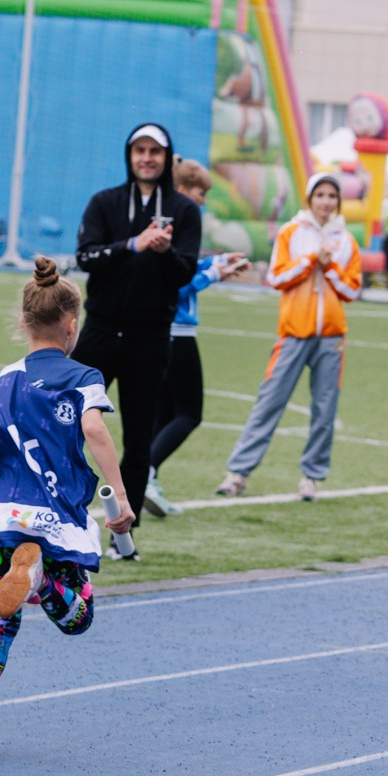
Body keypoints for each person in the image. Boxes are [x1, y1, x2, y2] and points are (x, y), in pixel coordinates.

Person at [0, 256, 134, 758]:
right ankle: (41, 580)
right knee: (77, 618)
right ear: (72, 325)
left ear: (25, 322)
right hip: (56, 518)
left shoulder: (0, 380)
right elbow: (94, 428)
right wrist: (119, 497)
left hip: (3, 516)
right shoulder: (83, 375)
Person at [70, 123, 200, 557]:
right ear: (129, 155)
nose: (147, 158)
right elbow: (87, 256)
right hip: (101, 333)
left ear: (167, 158)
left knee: (139, 438)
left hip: (149, 338)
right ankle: (59, 516)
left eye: (155, 151)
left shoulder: (183, 210)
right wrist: (132, 244)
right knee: (68, 423)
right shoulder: (105, 202)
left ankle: (124, 533)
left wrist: (164, 253)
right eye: (139, 150)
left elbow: (185, 271)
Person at [218, 171, 361, 502]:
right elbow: (277, 277)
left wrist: (328, 267)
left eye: (332, 196)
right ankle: (237, 473)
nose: (326, 202)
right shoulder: (291, 232)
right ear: (310, 199)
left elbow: (350, 289)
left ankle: (311, 477)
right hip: (294, 333)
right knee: (270, 402)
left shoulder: (346, 240)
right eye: (321, 195)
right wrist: (312, 260)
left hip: (332, 338)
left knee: (325, 409)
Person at [146, 159, 251, 516]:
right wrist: (216, 273)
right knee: (190, 413)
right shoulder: (171, 226)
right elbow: (177, 278)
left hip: (163, 331)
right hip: (177, 331)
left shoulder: (166, 224)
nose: (203, 200)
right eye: (199, 192)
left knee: (163, 415)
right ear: (181, 191)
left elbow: (187, 266)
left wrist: (218, 261)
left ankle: (147, 480)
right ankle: (145, 473)